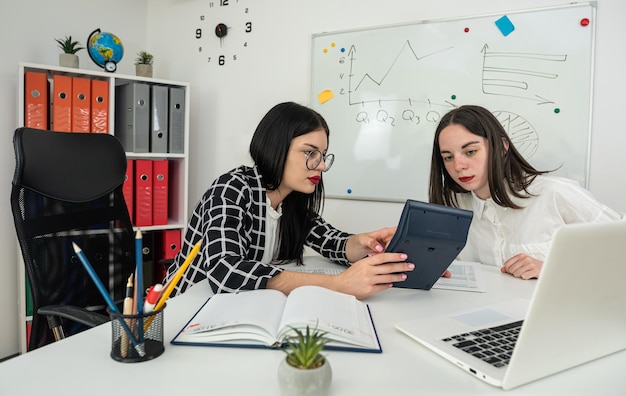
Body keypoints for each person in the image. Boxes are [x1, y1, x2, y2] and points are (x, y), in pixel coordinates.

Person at [165, 101, 418, 299]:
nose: (320, 165)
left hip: (235, 306)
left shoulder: (292, 200)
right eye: (310, 153)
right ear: (276, 147)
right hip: (184, 307)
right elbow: (225, 272)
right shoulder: (232, 188)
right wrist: (337, 285)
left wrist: (367, 243)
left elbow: (332, 242)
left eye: (323, 155)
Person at [429, 105, 622, 280]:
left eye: (470, 152)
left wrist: (550, 269)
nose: (458, 166)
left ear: (503, 147)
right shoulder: (451, 208)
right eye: (448, 157)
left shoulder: (553, 193)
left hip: (554, 315)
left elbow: (619, 249)